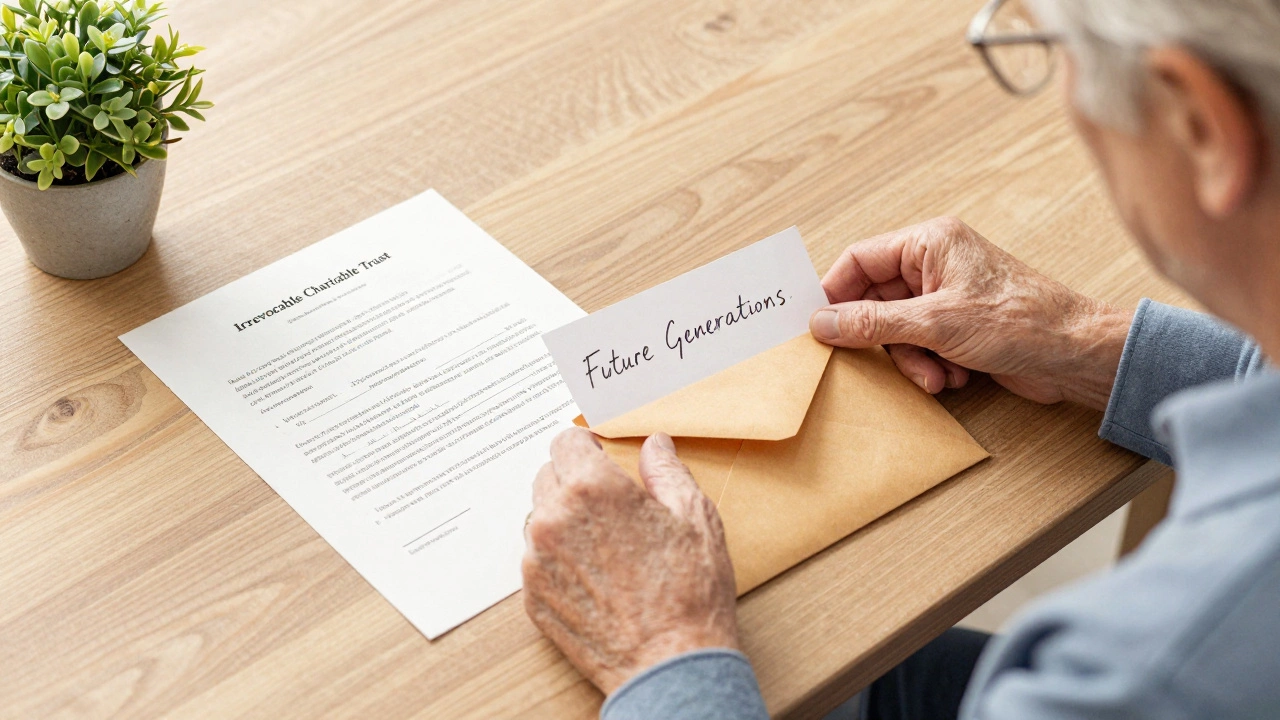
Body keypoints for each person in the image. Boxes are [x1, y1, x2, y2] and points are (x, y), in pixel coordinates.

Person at [520, 0, 1280, 717]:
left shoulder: (1140, 675)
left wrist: (667, 648)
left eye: (1058, 51)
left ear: (1201, 126)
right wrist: (1084, 345)